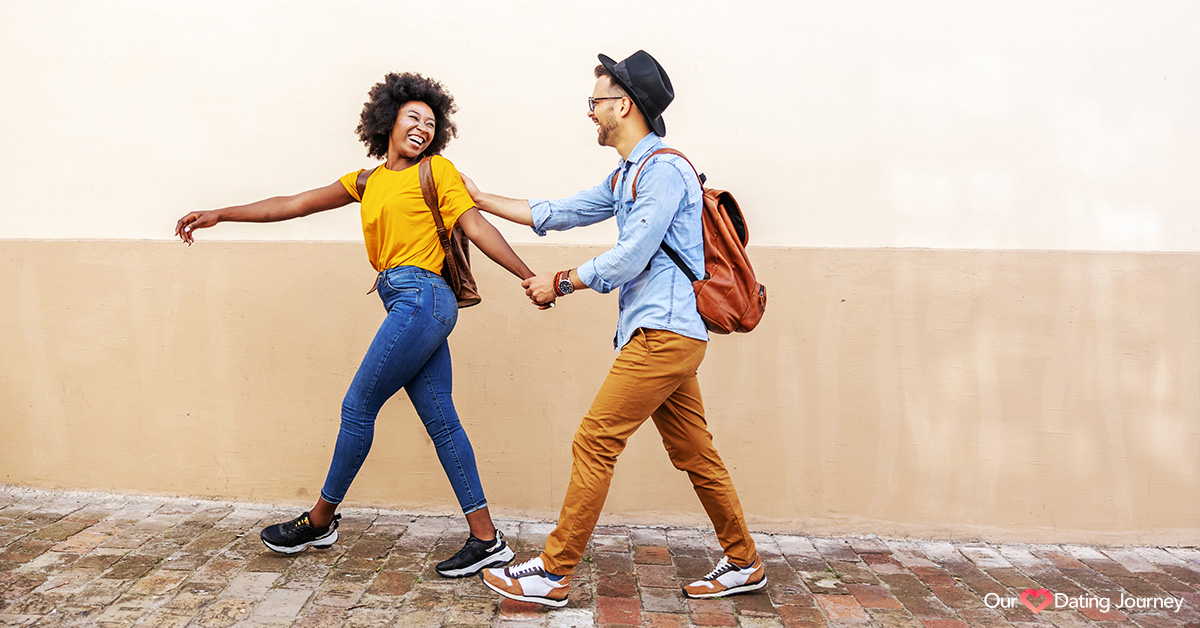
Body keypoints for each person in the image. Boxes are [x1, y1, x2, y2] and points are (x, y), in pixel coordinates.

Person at [173, 72, 546, 578]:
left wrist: (530, 277)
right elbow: (294, 204)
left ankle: (321, 518)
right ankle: (487, 539)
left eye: (431, 123)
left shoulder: (437, 171)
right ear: (387, 120)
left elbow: (475, 224)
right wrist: (222, 213)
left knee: (357, 405)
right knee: (442, 421)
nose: (422, 127)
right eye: (413, 116)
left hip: (423, 298)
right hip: (408, 303)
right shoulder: (368, 180)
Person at [464, 50, 766, 607]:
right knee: (695, 453)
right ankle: (744, 561)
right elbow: (560, 211)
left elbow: (631, 256)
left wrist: (561, 281)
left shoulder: (666, 170)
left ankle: (553, 573)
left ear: (622, 105)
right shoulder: (628, 173)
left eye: (595, 101)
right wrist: (480, 198)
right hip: (662, 335)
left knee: (595, 440)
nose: (590, 112)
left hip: (664, 335)